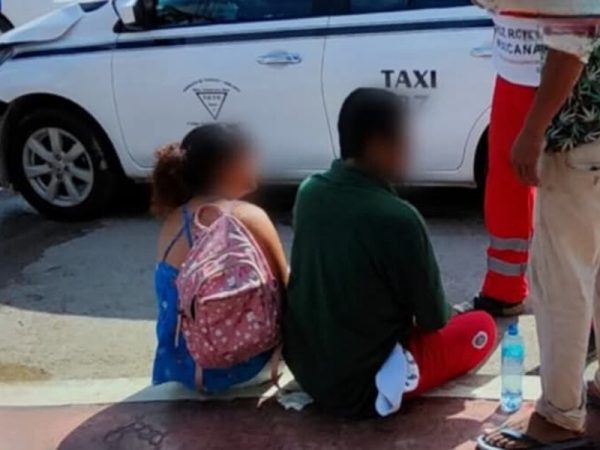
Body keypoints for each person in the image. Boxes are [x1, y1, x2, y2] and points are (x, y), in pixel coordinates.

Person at [283, 88, 497, 418]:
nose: (411, 149)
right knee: (482, 327)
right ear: (379, 146)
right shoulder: (399, 218)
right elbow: (433, 319)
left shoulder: (309, 191)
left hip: (308, 369)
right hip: (362, 385)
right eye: (405, 140)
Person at [478, 21, 600, 450]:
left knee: (562, 284)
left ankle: (560, 417)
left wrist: (532, 130)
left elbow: (573, 42)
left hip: (580, 137)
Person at [150, 124, 288, 393]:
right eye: (248, 158)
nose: (256, 164)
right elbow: (286, 289)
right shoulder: (249, 216)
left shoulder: (173, 221)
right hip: (247, 370)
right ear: (227, 168)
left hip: (184, 370)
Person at [473, 0, 544, 317]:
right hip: (515, 64)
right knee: (506, 178)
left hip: (562, 63)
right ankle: (504, 289)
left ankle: (590, 317)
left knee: (573, 188)